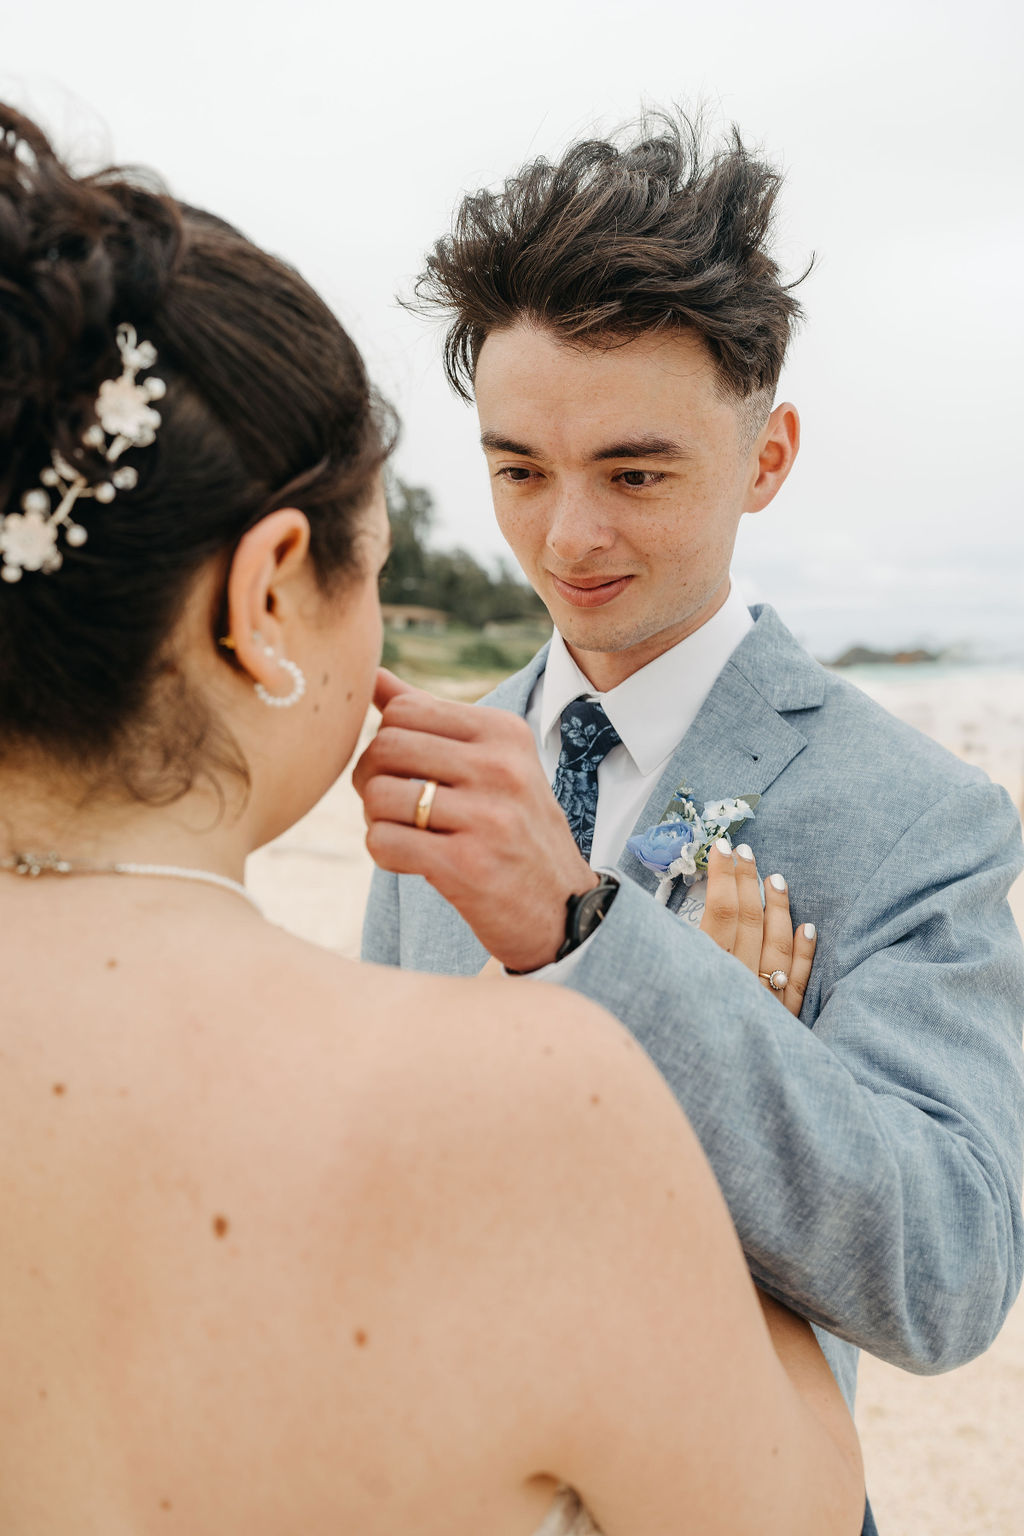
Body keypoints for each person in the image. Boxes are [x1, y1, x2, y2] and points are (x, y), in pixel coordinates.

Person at [0, 102, 868, 1534]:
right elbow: (805, 1508)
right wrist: (714, 1044)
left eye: (632, 471)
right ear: (267, 590)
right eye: (379, 562)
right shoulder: (550, 1108)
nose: (567, 537)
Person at [357, 114, 1024, 1534]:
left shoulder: (921, 816)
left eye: (636, 474)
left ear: (768, 455)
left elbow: (949, 1274)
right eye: (519, 470)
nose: (566, 539)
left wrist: (595, 941)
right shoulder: (435, 767)